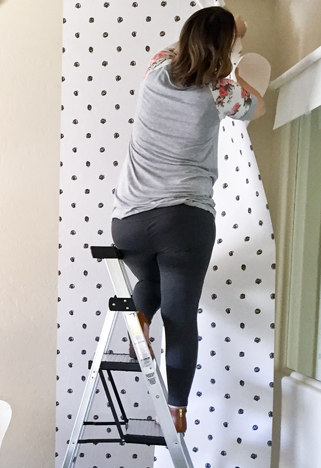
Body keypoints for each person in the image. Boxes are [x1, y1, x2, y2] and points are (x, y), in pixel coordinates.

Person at [111, 6, 265, 434]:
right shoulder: (221, 91)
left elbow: (185, 50)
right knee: (180, 315)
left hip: (128, 221)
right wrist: (239, 62)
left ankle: (140, 319)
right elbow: (258, 107)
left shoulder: (157, 67)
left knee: (151, 285)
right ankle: (177, 407)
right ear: (224, 47)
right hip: (183, 219)